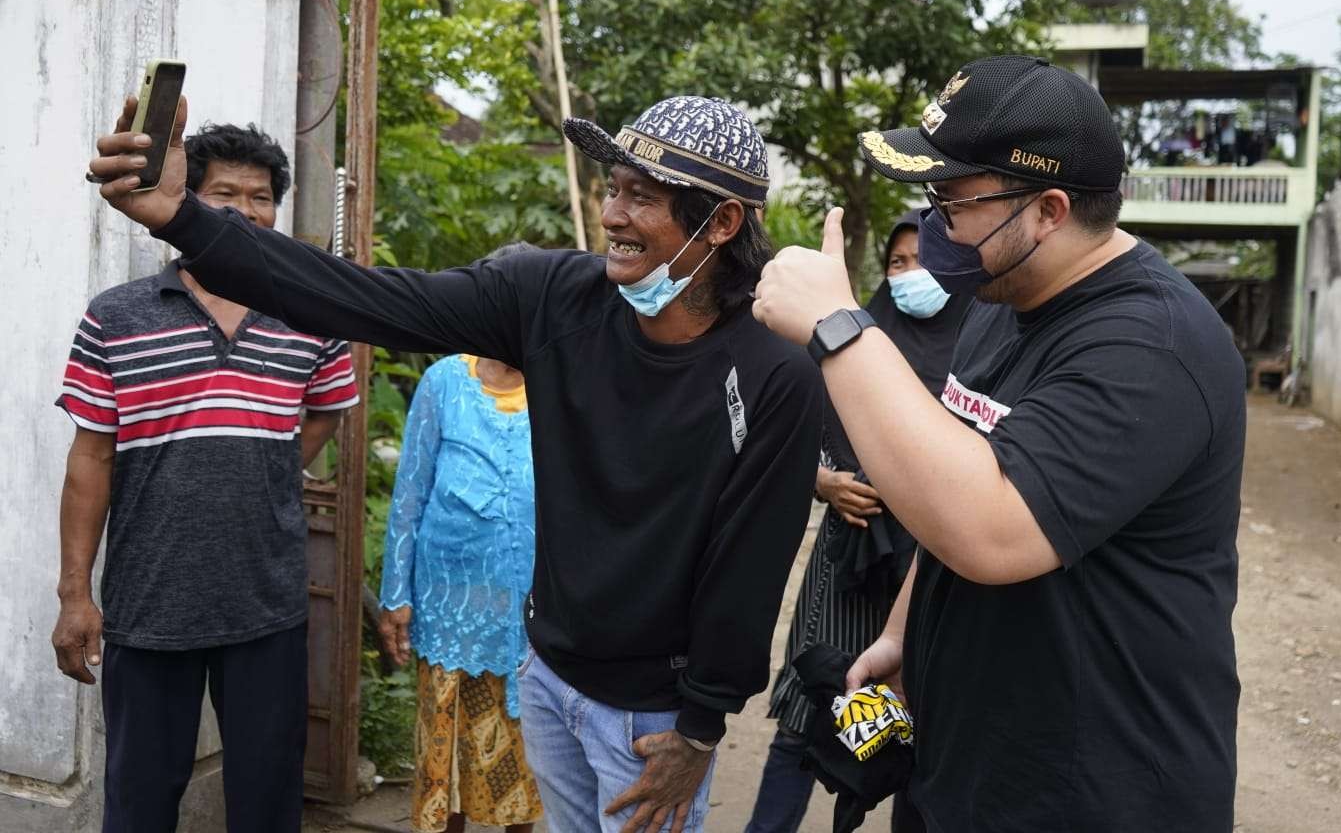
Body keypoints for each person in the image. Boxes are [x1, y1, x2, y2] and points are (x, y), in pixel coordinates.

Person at [85, 93, 823, 833]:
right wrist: (183, 218)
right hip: (547, 674)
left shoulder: (772, 374)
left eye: (644, 198)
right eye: (613, 188)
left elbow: (749, 565)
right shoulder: (554, 296)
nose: (612, 215)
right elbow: (359, 297)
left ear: (721, 223)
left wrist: (699, 727)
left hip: (651, 716)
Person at [751, 55, 1246, 832]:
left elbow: (993, 527)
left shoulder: (1153, 345)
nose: (939, 224)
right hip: (963, 764)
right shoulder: (998, 299)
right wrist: (900, 635)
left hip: (1093, 791)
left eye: (954, 201)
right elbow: (954, 472)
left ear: (1048, 209)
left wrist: (838, 326)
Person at [52, 121, 359, 832]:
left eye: (261, 197)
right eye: (225, 192)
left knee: (267, 802)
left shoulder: (308, 314)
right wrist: (75, 594)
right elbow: (90, 459)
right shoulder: (116, 317)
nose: (245, 210)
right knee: (138, 800)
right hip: (150, 603)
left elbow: (322, 415)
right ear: (185, 199)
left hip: (267, 606)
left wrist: (258, 466)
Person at [744, 212, 968, 833]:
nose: (909, 274)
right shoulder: (853, 340)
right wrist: (820, 479)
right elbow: (790, 425)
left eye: (923, 260)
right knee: (812, 706)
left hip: (932, 560)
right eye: (897, 264)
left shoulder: (981, 347)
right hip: (848, 556)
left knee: (916, 718)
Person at [376, 245, 546, 833]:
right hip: (446, 608)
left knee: (521, 764)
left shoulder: (562, 389)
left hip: (529, 615)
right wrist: (395, 597)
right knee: (443, 758)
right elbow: (410, 497)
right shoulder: (444, 382)